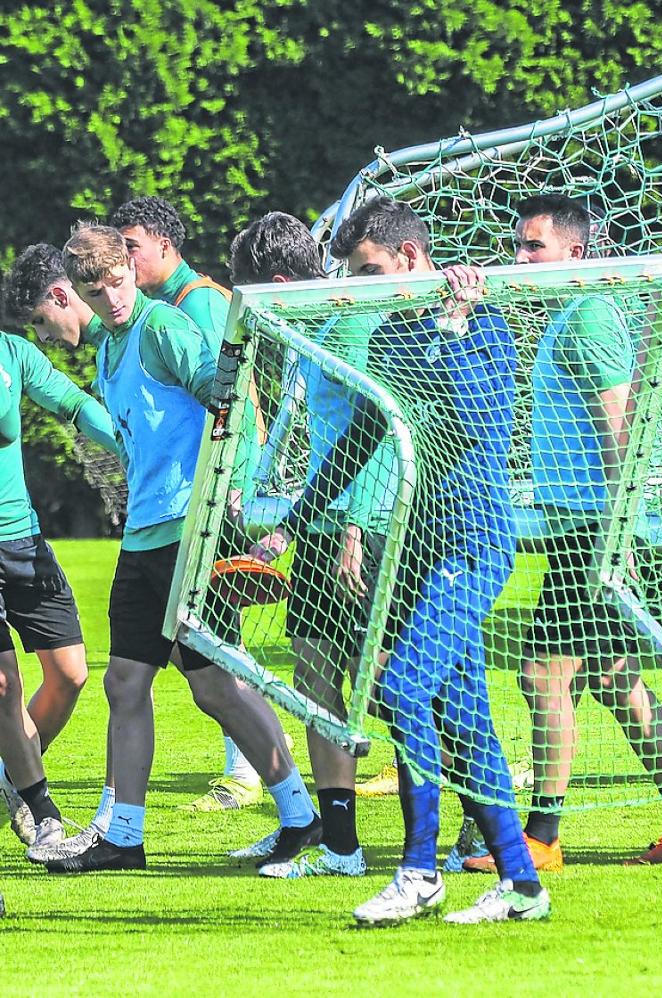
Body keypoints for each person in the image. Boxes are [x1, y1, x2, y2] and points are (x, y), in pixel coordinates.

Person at [261, 197, 548, 923]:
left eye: (370, 270)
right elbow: (363, 435)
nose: (360, 284)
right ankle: (522, 886)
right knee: (466, 722)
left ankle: (419, 870)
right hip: (419, 546)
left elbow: (474, 420)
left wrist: (451, 330)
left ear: (413, 260)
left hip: (475, 542)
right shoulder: (389, 334)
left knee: (401, 689)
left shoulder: (482, 322)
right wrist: (290, 528)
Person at [41, 224, 316, 874]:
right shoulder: (108, 351)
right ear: (79, 290)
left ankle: (304, 819)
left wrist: (225, 495)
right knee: (126, 681)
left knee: (216, 690)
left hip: (188, 535)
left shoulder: (163, 326)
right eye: (96, 287)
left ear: (132, 271)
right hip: (144, 536)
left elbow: (225, 396)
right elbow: (136, 436)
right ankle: (125, 840)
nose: (110, 296)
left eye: (117, 280)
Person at [470, 193, 662, 869]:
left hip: (598, 532)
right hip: (587, 528)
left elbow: (622, 425)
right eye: (517, 244)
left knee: (541, 677)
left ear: (574, 254)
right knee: (615, 682)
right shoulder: (571, 316)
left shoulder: (586, 317)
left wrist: (621, 536)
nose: (518, 259)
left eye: (532, 247)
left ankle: (541, 839)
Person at [226, 211, 396, 877]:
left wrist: (352, 524)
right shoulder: (314, 327)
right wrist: (289, 524)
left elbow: (377, 423)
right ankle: (342, 847)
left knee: (388, 687)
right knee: (317, 677)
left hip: (370, 526)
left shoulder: (350, 319)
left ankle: (471, 822)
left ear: (275, 282)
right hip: (324, 530)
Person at [110, 195, 266, 812]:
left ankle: (252, 774)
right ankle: (253, 773)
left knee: (214, 646)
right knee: (197, 650)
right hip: (189, 497)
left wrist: (234, 483)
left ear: (164, 245)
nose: (121, 259)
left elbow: (236, 396)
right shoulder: (159, 310)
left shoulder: (197, 300)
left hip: (211, 496)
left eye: (131, 247)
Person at [0, 280, 119, 860]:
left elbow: (73, 405)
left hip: (20, 537)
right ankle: (42, 813)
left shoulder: (14, 353)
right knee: (3, 682)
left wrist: (124, 441)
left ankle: (10, 775)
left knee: (71, 674)